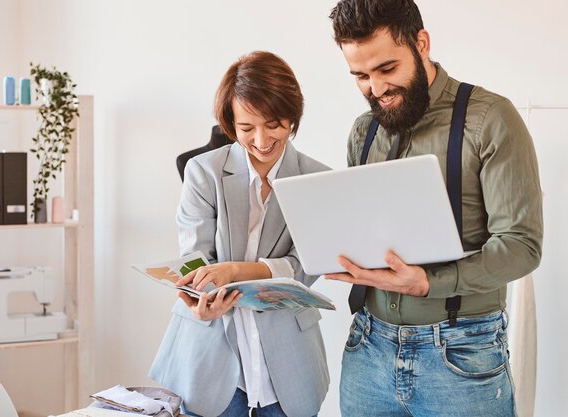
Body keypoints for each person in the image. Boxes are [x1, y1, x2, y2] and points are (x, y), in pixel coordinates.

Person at [326, 1, 543, 416]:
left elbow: (522, 246)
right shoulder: (362, 131)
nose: (375, 88)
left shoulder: (491, 119)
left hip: (461, 353)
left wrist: (429, 282)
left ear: (421, 43)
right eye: (360, 76)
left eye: (387, 69)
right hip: (368, 347)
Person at [149, 51, 330, 417]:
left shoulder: (316, 179)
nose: (261, 140)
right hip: (210, 355)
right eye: (247, 128)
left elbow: (305, 266)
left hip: (288, 362)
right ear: (231, 124)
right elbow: (195, 259)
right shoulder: (203, 172)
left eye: (274, 124)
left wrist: (233, 272)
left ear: (292, 118)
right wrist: (200, 294)